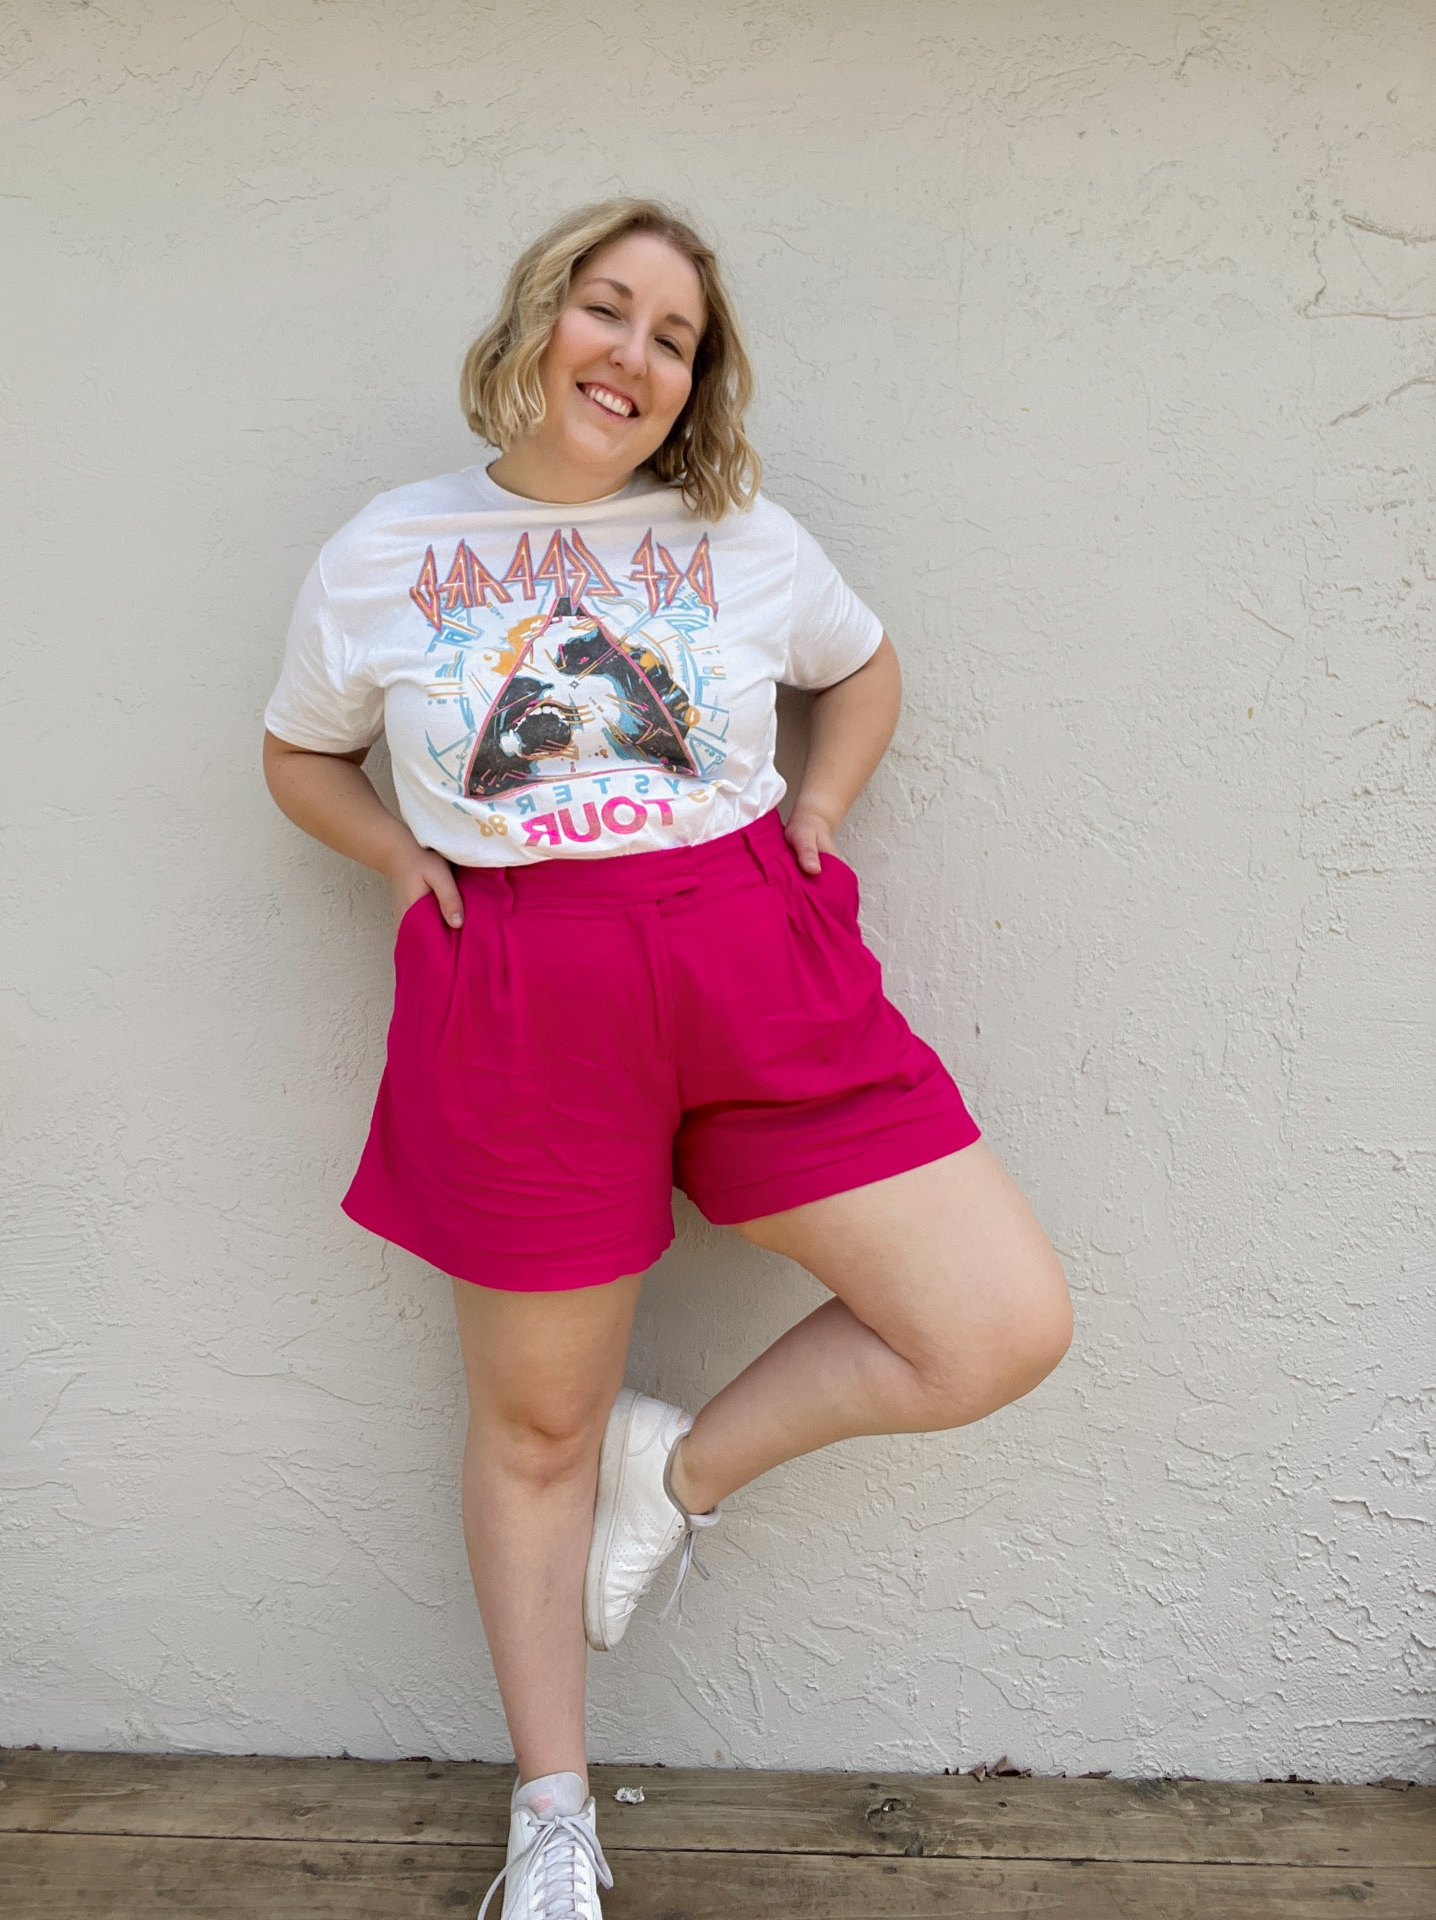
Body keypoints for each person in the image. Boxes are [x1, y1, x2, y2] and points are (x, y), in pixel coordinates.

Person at [262, 197, 1073, 1920]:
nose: (631, 354)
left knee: (997, 1324)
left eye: (673, 336)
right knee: (535, 1421)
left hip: (752, 950)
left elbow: (859, 675)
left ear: (696, 383)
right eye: (606, 310)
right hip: (525, 991)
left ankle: (683, 1471)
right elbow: (296, 756)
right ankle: (553, 1819)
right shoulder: (386, 550)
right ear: (540, 318)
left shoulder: (741, 534)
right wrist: (410, 867)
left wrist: (824, 823)